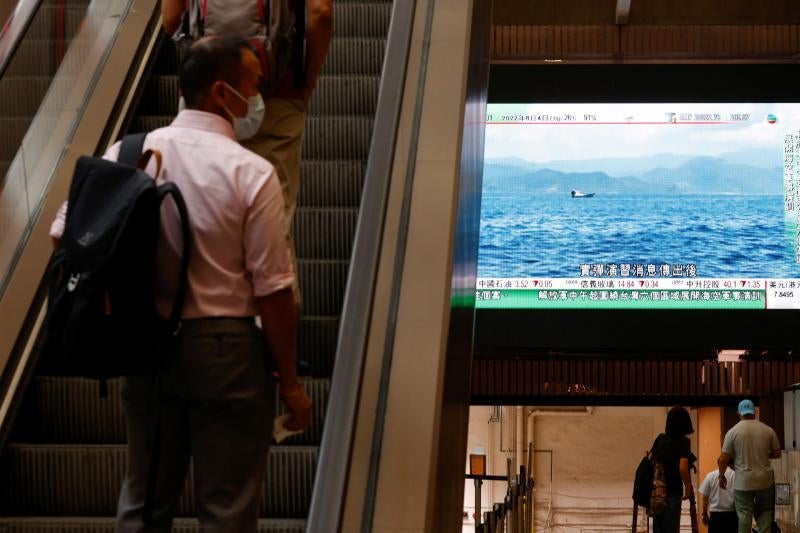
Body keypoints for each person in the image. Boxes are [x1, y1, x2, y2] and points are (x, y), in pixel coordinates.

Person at [50, 37, 313, 532]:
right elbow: (274, 290)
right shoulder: (251, 172)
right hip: (228, 353)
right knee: (228, 509)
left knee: (144, 503)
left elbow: (64, 237)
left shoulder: (129, 153)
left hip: (144, 346)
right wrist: (291, 385)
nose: (260, 96)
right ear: (221, 92)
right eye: (254, 84)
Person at [161, 0, 334, 304]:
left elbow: (171, 20)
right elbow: (321, 14)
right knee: (272, 224)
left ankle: (206, 327)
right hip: (275, 94)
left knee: (197, 214)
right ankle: (273, 341)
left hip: (204, 97)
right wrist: (305, 84)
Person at [718, 399, 781, 533]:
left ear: (738, 413)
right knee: (765, 512)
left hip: (743, 482)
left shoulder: (732, 432)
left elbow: (723, 459)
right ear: (754, 412)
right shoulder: (768, 430)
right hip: (765, 480)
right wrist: (762, 455)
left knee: (744, 515)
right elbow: (777, 453)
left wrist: (721, 476)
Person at [652, 406, 697, 533]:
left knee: (658, 529)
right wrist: (687, 487)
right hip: (673, 493)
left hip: (658, 492)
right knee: (671, 529)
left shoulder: (660, 439)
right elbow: (683, 467)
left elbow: (653, 462)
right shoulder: (683, 442)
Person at [698, 465, 737, 533]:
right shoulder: (736, 475)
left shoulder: (710, 475)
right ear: (731, 463)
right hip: (732, 516)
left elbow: (705, 498)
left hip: (715, 517)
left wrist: (704, 514)